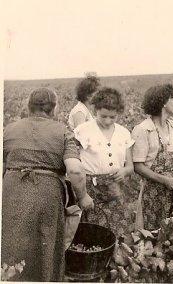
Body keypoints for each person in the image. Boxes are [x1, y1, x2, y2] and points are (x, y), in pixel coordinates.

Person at [2, 88, 94, 282]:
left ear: (28, 107)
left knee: (12, 245)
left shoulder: (9, 129)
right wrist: (83, 197)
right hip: (46, 194)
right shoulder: (62, 131)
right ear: (53, 109)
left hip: (11, 192)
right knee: (46, 245)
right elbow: (75, 170)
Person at [132, 83, 173, 231]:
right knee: (152, 234)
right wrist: (164, 180)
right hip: (152, 193)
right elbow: (138, 166)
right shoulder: (143, 130)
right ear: (163, 102)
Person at [74, 87, 135, 238]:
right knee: (93, 233)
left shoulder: (123, 133)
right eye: (103, 116)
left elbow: (130, 167)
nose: (107, 121)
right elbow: (73, 161)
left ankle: (117, 259)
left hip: (115, 188)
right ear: (95, 110)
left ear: (118, 113)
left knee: (118, 231)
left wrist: (124, 172)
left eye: (112, 117)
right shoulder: (83, 130)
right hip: (90, 189)